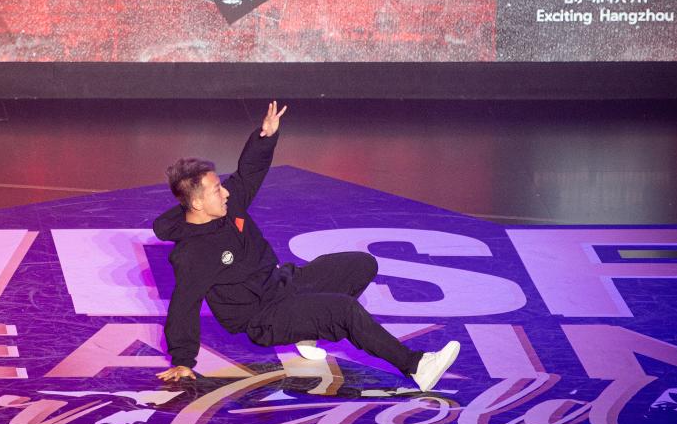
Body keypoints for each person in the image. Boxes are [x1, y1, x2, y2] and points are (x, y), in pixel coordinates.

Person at [152, 101, 460, 391]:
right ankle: (416, 366)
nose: (226, 193)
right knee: (343, 311)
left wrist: (264, 138)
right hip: (264, 316)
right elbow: (184, 305)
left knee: (361, 265)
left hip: (282, 282)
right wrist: (182, 359)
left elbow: (247, 175)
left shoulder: (227, 207)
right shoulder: (193, 254)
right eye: (217, 190)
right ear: (196, 203)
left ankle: (306, 331)